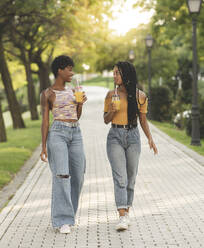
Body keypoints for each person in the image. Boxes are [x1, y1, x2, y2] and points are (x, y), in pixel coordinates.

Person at [104, 61, 158, 231]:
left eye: (117, 73)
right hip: (115, 137)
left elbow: (142, 120)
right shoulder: (110, 94)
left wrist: (150, 138)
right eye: (113, 73)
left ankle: (126, 212)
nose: (114, 76)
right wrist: (112, 110)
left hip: (133, 136)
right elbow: (105, 119)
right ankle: (121, 216)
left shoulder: (140, 96)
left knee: (131, 177)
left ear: (126, 74)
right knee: (120, 177)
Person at [40, 55, 87, 234]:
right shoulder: (47, 94)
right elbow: (45, 122)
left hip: (76, 132)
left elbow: (77, 115)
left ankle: (69, 214)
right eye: (69, 68)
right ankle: (63, 220)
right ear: (59, 70)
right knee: (61, 175)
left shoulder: (73, 91)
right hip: (57, 133)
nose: (71, 72)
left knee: (78, 175)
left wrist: (80, 104)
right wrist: (44, 146)